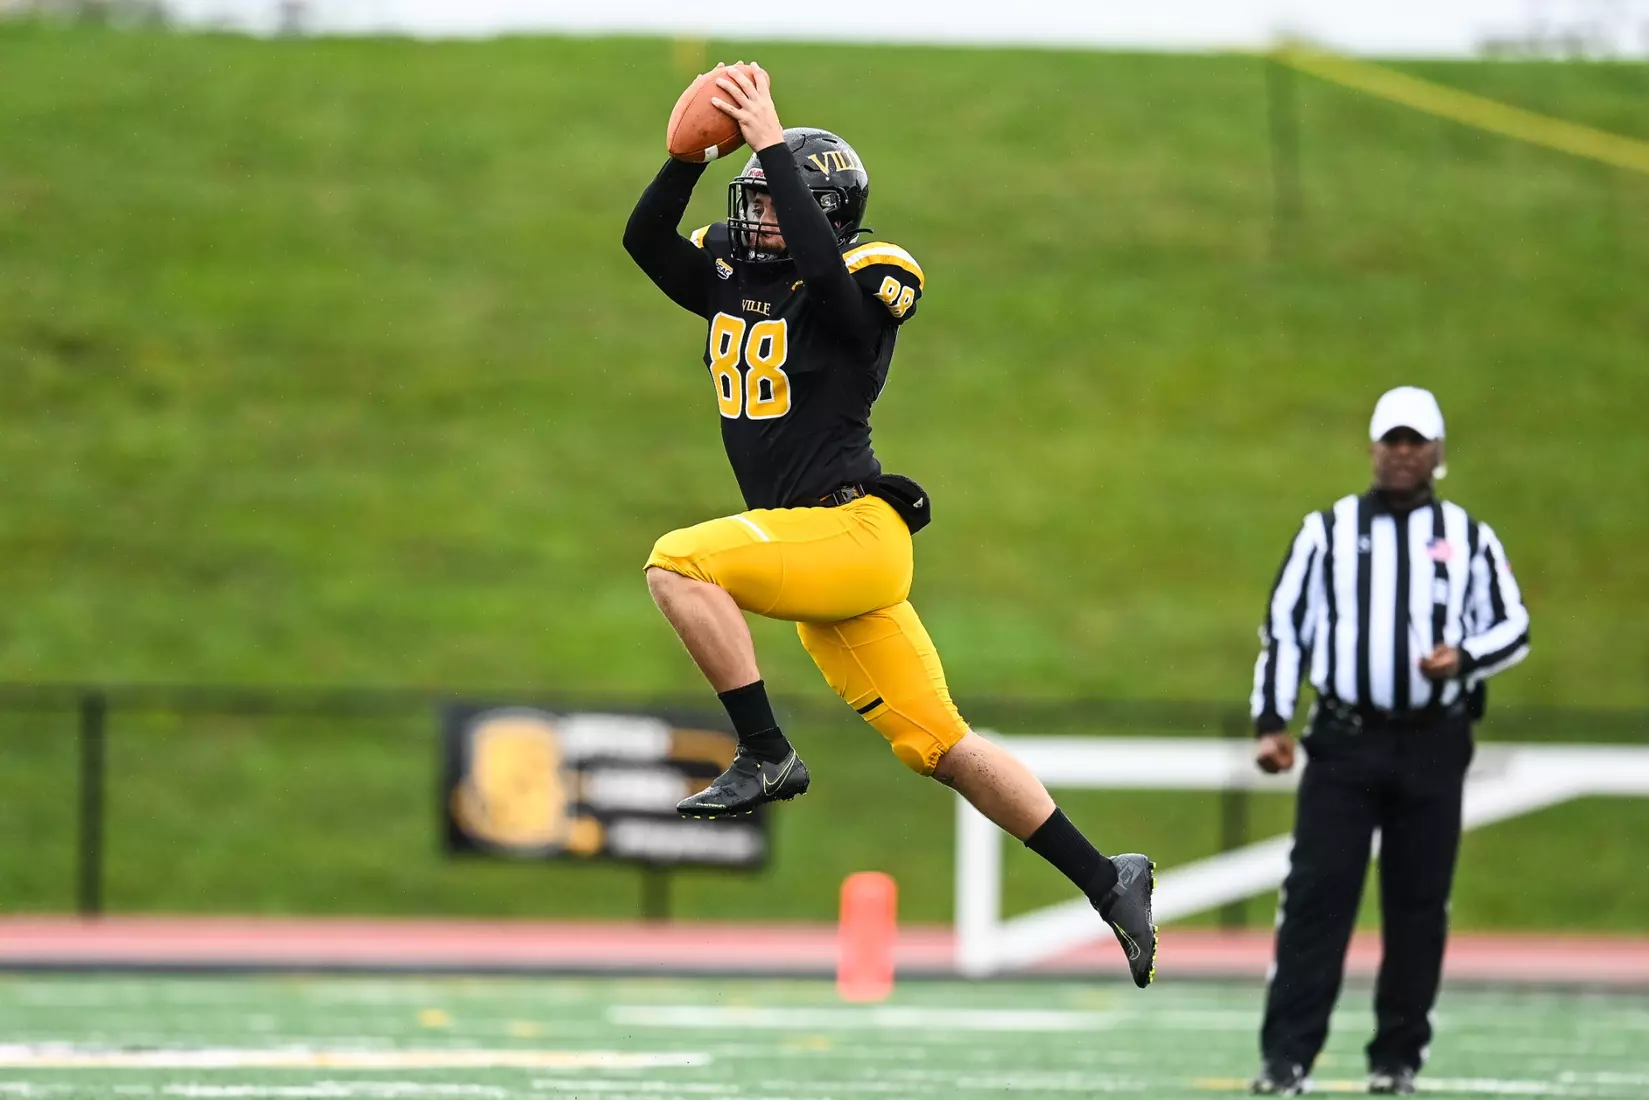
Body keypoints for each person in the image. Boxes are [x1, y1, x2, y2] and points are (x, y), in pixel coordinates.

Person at [622, 62, 1157, 986]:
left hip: (851, 535)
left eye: (771, 197)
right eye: (746, 199)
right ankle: (1107, 877)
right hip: (811, 550)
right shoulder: (738, 273)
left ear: (825, 210)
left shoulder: (874, 269)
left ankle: (763, 749)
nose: (753, 216)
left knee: (677, 562)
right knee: (937, 744)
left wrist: (770, 141)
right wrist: (686, 159)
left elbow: (832, 292)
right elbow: (644, 240)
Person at [1247, 386, 1531, 1095]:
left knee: (1417, 903)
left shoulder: (1470, 536)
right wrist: (1271, 722)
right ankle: (1286, 1058)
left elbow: (1512, 626)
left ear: (1437, 453)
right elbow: (1287, 627)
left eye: (1415, 442)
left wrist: (1462, 656)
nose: (1402, 453)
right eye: (1391, 440)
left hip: (1433, 742)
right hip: (1344, 740)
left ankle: (1396, 1058)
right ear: (1372, 448)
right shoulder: (1327, 531)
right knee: (1317, 897)